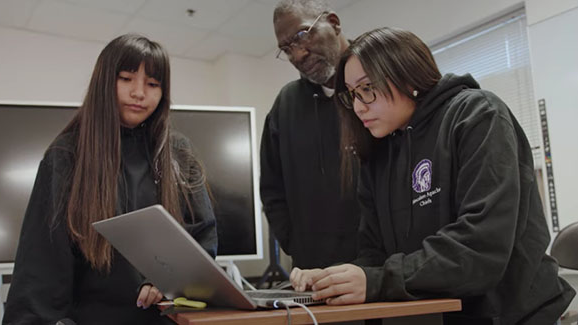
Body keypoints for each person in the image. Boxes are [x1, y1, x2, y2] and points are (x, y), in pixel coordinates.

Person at [290, 27, 576, 324]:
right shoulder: (379, 153)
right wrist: (333, 281)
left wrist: (376, 281)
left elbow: (480, 248)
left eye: (366, 88)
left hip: (513, 315)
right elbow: (375, 256)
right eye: (352, 95)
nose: (360, 106)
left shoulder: (478, 115)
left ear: (406, 74)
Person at [3, 34, 217, 325]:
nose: (139, 93)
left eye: (153, 84)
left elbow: (202, 240)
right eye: (127, 78)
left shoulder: (178, 152)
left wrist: (170, 280)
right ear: (104, 82)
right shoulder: (66, 155)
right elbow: (41, 265)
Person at [260, 0, 360, 270]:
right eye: (286, 48)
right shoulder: (287, 104)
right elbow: (272, 188)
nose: (298, 54)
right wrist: (296, 244)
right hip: (313, 271)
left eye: (303, 35)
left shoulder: (376, 85)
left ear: (334, 23)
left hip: (378, 268)